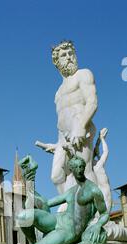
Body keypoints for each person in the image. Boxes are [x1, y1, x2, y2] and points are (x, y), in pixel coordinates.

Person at [36, 41, 99, 197]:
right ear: (57, 62)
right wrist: (57, 144)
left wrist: (81, 126)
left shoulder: (83, 74)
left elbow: (92, 102)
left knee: (84, 169)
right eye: (64, 55)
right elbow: (62, 120)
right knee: (56, 176)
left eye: (71, 53)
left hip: (81, 130)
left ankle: (95, 212)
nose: (69, 57)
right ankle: (71, 207)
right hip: (63, 138)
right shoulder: (58, 92)